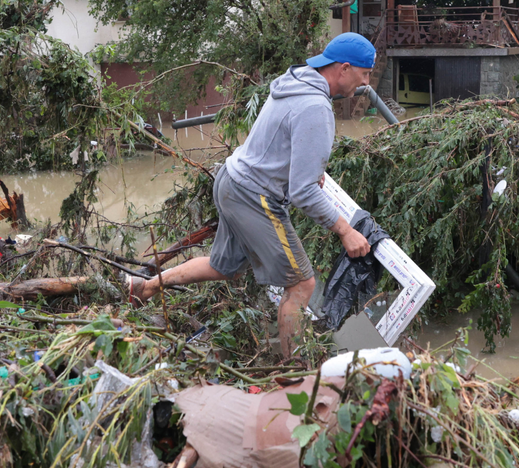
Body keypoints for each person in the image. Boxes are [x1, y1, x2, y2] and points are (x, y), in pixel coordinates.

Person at [127, 32, 375, 358]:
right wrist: (346, 230)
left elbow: (282, 151)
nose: (366, 83)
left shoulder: (294, 83)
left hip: (231, 180)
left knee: (223, 266)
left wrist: (304, 175)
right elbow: (302, 192)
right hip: (254, 196)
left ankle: (143, 288)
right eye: (365, 73)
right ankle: (295, 375)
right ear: (344, 69)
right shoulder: (315, 107)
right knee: (302, 284)